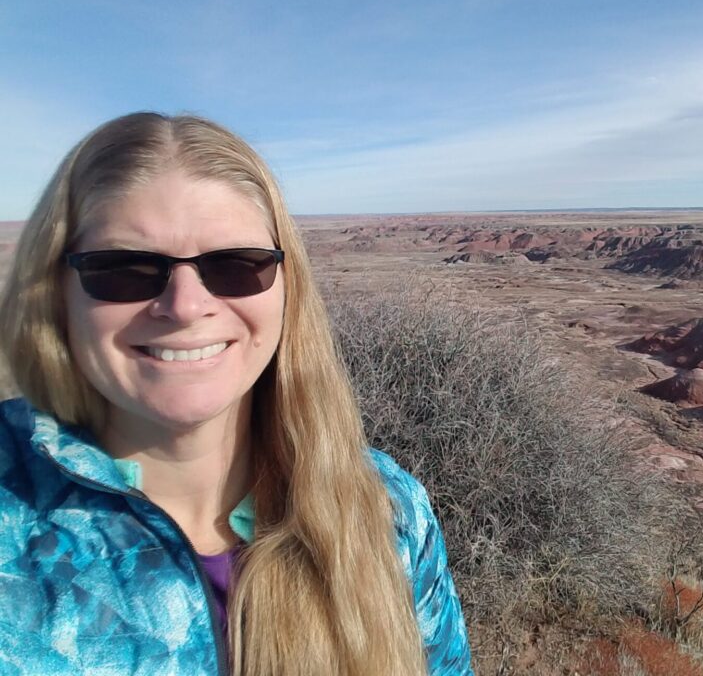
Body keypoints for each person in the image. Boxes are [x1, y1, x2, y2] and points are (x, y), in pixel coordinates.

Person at [0, 112, 473, 675]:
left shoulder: (387, 512)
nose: (184, 305)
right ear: (57, 294)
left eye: (236, 266)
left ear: (285, 286)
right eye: (123, 268)